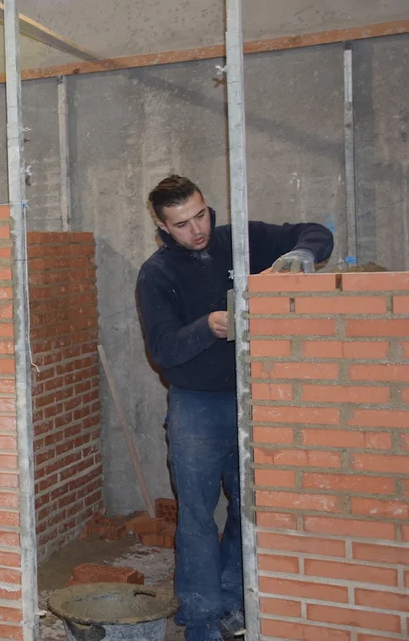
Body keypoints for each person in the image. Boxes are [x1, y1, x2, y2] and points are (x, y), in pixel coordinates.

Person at [135, 175, 333, 641]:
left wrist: (300, 254)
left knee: (250, 508)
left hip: (253, 396)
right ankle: (201, 618)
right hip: (196, 406)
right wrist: (208, 326)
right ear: (162, 227)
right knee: (198, 516)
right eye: (182, 224)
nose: (197, 230)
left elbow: (316, 232)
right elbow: (162, 349)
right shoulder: (157, 274)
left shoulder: (240, 241)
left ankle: (233, 600)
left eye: (201, 215)